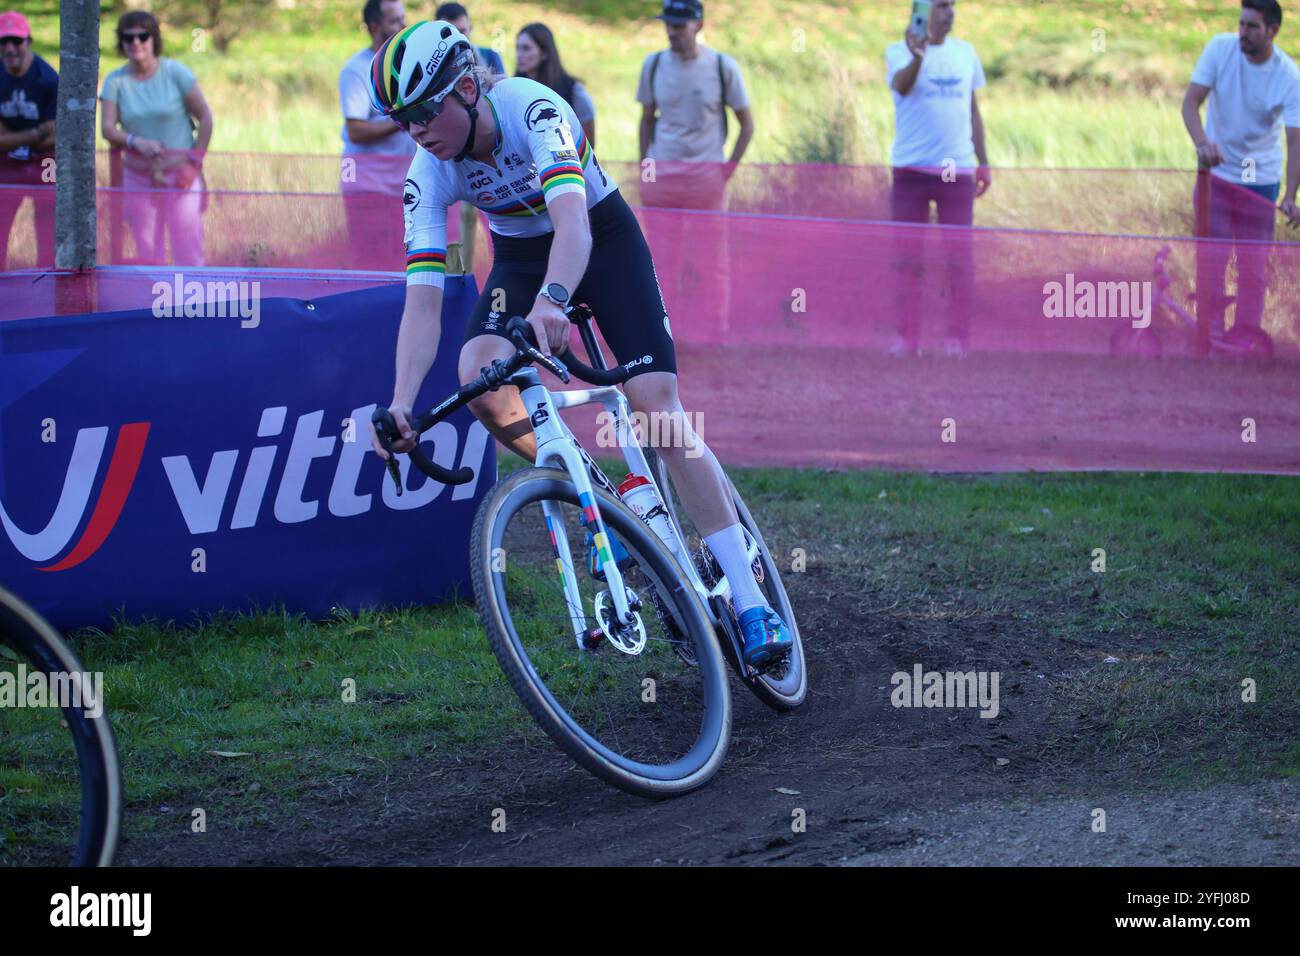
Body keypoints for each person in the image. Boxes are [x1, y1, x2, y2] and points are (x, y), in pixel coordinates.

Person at [366, 21, 793, 669]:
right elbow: (422, 299)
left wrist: (554, 301)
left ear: (464, 89)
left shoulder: (534, 109)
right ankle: (598, 489)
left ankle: (747, 592)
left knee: (657, 408)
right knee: (478, 373)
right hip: (519, 259)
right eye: (401, 119)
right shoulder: (428, 174)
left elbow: (573, 225)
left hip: (599, 241)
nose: (416, 130)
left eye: (424, 110)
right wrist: (400, 401)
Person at [1182, 0, 1300, 339]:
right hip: (1215, 176)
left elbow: (1295, 141)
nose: (1242, 33)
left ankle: (1246, 337)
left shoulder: (1288, 76)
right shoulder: (1220, 49)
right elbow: (1190, 103)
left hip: (1258, 177)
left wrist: (1290, 196)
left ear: (1272, 31)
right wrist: (1202, 142)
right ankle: (1210, 334)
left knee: (1252, 268)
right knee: (1212, 259)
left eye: (1252, 27)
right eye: (1241, 24)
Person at [636, 0, 754, 329]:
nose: (671, 31)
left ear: (698, 25)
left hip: (706, 178)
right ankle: (662, 326)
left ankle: (714, 328)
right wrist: (646, 167)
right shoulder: (654, 64)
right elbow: (646, 119)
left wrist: (727, 169)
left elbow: (747, 123)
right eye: (668, 24)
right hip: (664, 177)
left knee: (711, 259)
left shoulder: (722, 66)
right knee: (660, 257)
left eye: (679, 24)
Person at [884, 0, 990, 357]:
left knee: (958, 259)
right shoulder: (897, 51)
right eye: (942, 6)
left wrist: (983, 161)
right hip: (911, 170)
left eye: (952, 6)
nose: (950, 13)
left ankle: (956, 340)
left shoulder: (965, 53)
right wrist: (918, 55)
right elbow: (901, 86)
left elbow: (972, 110)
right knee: (907, 259)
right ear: (923, 12)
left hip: (956, 171)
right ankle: (907, 338)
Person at [99, 11, 213, 266]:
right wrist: (135, 141)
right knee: (148, 254)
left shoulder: (176, 73)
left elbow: (206, 117)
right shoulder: (115, 81)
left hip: (181, 176)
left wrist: (194, 163)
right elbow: (107, 129)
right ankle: (154, 305)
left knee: (189, 252)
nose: (136, 43)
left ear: (154, 39)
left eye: (142, 36)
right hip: (139, 178)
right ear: (121, 42)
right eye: (128, 38)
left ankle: (192, 305)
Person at [339, 0, 415, 267]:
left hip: (405, 187)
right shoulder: (357, 70)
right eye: (395, 20)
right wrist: (401, 119)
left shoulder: (408, 64)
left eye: (403, 18)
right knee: (373, 264)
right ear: (374, 27)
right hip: (370, 188)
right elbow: (356, 130)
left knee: (404, 262)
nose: (403, 26)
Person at [0, 10, 55, 269]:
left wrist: (12, 137)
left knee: (47, 230)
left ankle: (49, 289)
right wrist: (34, 134)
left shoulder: (47, 78)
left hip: (46, 163)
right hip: (7, 163)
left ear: (28, 42)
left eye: (16, 40)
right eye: (3, 42)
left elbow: (54, 137)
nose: (10, 48)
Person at [516, 22, 596, 147]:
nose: (519, 55)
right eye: (517, 48)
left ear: (544, 53)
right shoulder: (513, 89)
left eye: (526, 48)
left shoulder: (573, 91)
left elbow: (588, 145)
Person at [435, 3, 505, 78]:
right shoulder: (432, 65)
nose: (458, 39)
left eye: (462, 31)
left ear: (471, 28)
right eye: (450, 34)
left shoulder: (490, 56)